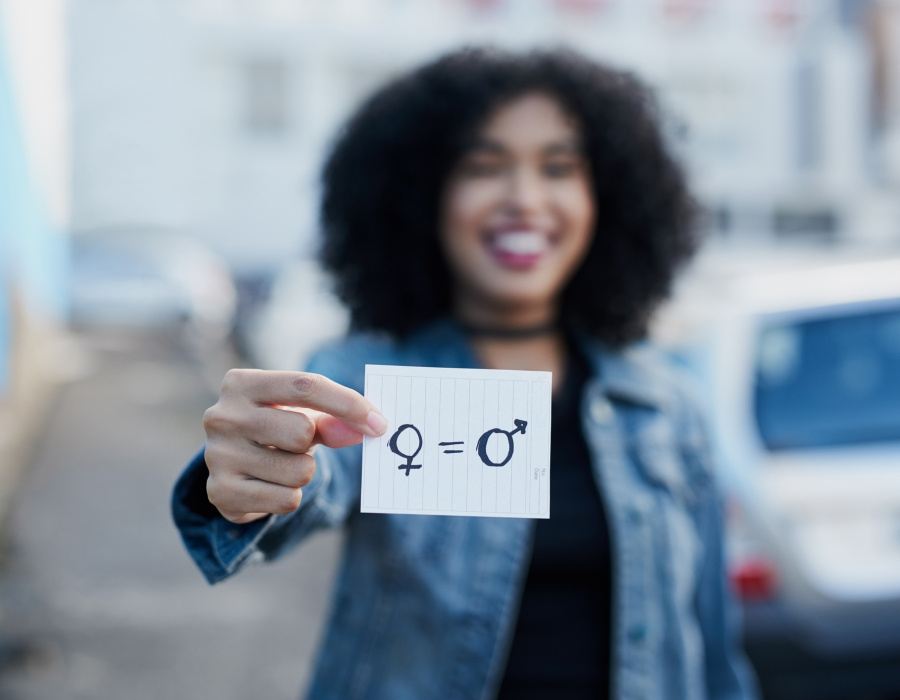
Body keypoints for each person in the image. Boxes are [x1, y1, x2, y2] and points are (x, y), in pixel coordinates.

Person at [172, 48, 758, 700]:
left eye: (559, 168)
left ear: (607, 196)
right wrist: (251, 478)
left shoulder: (666, 402)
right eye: (483, 166)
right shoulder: (366, 379)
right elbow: (315, 479)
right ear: (423, 195)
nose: (525, 199)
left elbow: (712, 654)